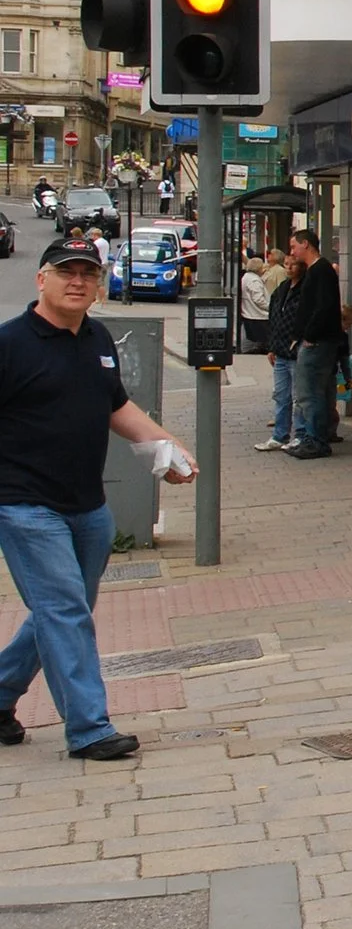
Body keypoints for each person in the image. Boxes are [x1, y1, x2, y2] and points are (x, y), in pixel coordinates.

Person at [0, 238, 195, 761]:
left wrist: (167, 447)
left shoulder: (97, 338)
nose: (78, 281)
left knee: (62, 610)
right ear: (41, 280)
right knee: (64, 611)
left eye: (88, 272)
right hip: (24, 505)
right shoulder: (11, 344)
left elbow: (117, 406)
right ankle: (88, 728)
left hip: (86, 507)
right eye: (67, 272)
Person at [286, 229, 348, 458]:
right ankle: (315, 437)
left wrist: (309, 336)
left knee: (309, 392)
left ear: (306, 245)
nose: (292, 252)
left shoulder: (320, 271)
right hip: (318, 340)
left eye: (294, 247)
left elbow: (322, 307)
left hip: (318, 342)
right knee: (314, 392)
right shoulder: (317, 271)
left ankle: (316, 439)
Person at [255, 252, 302, 453]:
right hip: (281, 352)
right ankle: (279, 435)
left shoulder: (304, 291)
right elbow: (274, 319)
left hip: (296, 353)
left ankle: (300, 436)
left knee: (299, 397)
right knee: (281, 396)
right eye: (286, 264)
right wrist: (272, 347)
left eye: (293, 264)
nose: (289, 268)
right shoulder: (282, 290)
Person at [239, 255, 270, 353]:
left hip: (250, 313)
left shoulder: (246, 277)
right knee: (261, 340)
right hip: (258, 315)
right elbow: (258, 299)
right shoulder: (254, 280)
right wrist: (270, 307)